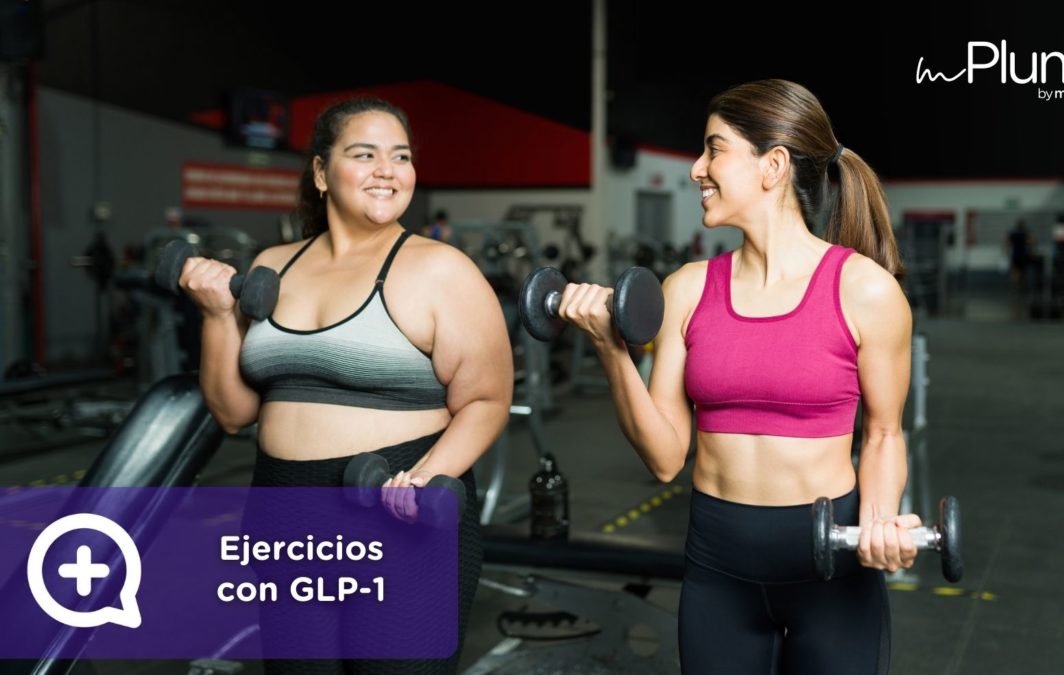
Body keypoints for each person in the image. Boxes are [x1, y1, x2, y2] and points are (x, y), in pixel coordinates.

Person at [555, 79, 916, 674]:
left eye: (714, 149)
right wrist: (613, 353)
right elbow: (666, 458)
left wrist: (877, 522)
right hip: (717, 567)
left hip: (830, 568)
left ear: (772, 165)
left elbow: (883, 434)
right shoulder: (689, 288)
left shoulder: (865, 291)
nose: (697, 169)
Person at [179, 97, 513, 674]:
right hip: (283, 512)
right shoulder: (273, 265)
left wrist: (425, 478)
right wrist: (214, 317)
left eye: (401, 156)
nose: (388, 170)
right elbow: (234, 414)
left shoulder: (440, 269)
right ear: (320, 172)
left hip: (393, 512)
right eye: (365, 154)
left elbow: (487, 399)